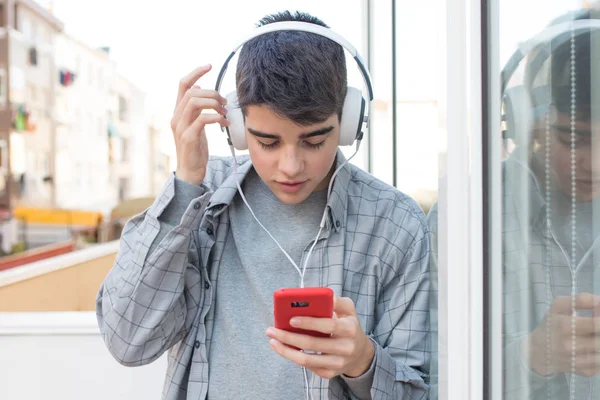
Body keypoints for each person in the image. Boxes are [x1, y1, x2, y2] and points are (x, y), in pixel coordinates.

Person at [96, 10, 431, 400]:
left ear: (348, 121)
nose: (290, 166)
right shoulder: (199, 200)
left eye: (314, 141)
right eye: (268, 142)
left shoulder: (395, 225)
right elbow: (127, 341)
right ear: (235, 128)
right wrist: (186, 182)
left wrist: (363, 362)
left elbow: (421, 392)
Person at [428, 6, 600, 399]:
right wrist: (532, 357)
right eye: (572, 140)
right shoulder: (468, 218)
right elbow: (432, 385)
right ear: (522, 122)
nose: (593, 164)